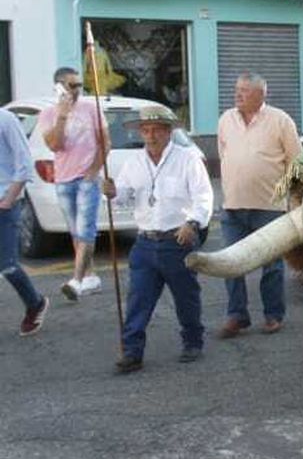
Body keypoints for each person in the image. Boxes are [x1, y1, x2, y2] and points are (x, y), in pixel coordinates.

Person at [103, 104, 212, 374]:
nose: (150, 136)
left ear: (168, 132)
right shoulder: (134, 162)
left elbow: (204, 197)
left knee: (186, 295)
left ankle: (192, 340)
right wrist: (112, 191)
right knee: (138, 298)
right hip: (145, 241)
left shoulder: (187, 159)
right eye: (145, 130)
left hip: (177, 238)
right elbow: (123, 197)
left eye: (156, 131)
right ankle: (132, 351)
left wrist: (193, 223)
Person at [215, 71, 302, 338]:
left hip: (270, 207)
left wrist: (296, 198)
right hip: (233, 206)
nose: (238, 94)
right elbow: (223, 155)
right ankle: (237, 316)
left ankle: (273, 315)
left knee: (272, 265)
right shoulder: (226, 120)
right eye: (237, 89)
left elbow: (296, 163)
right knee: (231, 262)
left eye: (245, 90)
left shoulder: (280, 120)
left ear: (261, 94)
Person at [39, 65, 107, 300]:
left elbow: (104, 143)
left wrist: (93, 170)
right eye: (72, 85)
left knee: (86, 229)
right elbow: (55, 145)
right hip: (63, 179)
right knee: (75, 232)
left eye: (79, 84)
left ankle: (76, 281)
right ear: (58, 87)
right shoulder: (48, 114)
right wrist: (63, 115)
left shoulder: (91, 108)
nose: (78, 89)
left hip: (87, 177)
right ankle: (90, 277)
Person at [0, 106, 48, 336]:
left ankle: (35, 303)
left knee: (7, 265)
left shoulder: (6, 120)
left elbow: (25, 164)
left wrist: (8, 200)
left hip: (5, 202)